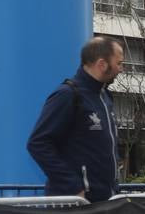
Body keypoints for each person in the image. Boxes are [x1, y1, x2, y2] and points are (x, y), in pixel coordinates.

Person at [27, 36, 123, 202]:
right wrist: (73, 186)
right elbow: (38, 143)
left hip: (105, 203)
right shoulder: (68, 95)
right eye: (119, 63)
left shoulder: (106, 97)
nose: (121, 69)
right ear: (102, 64)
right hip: (75, 206)